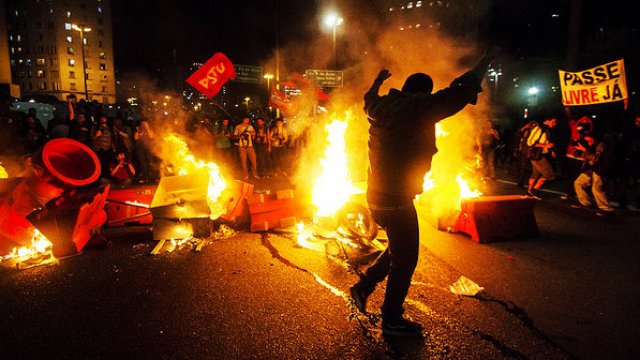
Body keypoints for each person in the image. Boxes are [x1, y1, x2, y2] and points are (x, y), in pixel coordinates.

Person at [349, 46, 499, 337]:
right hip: (396, 200)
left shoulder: (380, 108)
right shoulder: (421, 108)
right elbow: (461, 88)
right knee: (406, 260)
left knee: (397, 249)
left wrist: (378, 82)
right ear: (424, 94)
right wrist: (485, 62)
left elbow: (368, 99)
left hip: (376, 197)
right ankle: (391, 319)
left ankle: (363, 288)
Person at [573, 134, 615, 214]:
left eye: (588, 140)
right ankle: (586, 203)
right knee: (578, 183)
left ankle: (605, 208)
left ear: (593, 137)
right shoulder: (592, 145)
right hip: (590, 169)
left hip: (599, 169)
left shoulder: (600, 145)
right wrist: (580, 152)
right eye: (586, 140)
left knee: (596, 188)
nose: (587, 142)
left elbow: (596, 159)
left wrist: (584, 150)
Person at [525, 117, 557, 199]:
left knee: (535, 174)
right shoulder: (539, 128)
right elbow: (530, 143)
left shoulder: (545, 129)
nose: (554, 124)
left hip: (539, 155)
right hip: (537, 156)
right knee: (550, 174)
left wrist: (550, 150)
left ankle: (529, 192)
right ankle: (534, 190)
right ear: (547, 120)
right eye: (553, 122)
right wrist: (545, 146)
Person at [91, 115, 114, 180]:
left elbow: (112, 138)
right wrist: (97, 135)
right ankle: (99, 178)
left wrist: (113, 146)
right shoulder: (95, 128)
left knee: (106, 164)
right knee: (98, 164)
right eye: (101, 118)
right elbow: (92, 138)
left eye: (104, 118)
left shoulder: (109, 128)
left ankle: (106, 178)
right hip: (97, 149)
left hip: (107, 148)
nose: (103, 120)